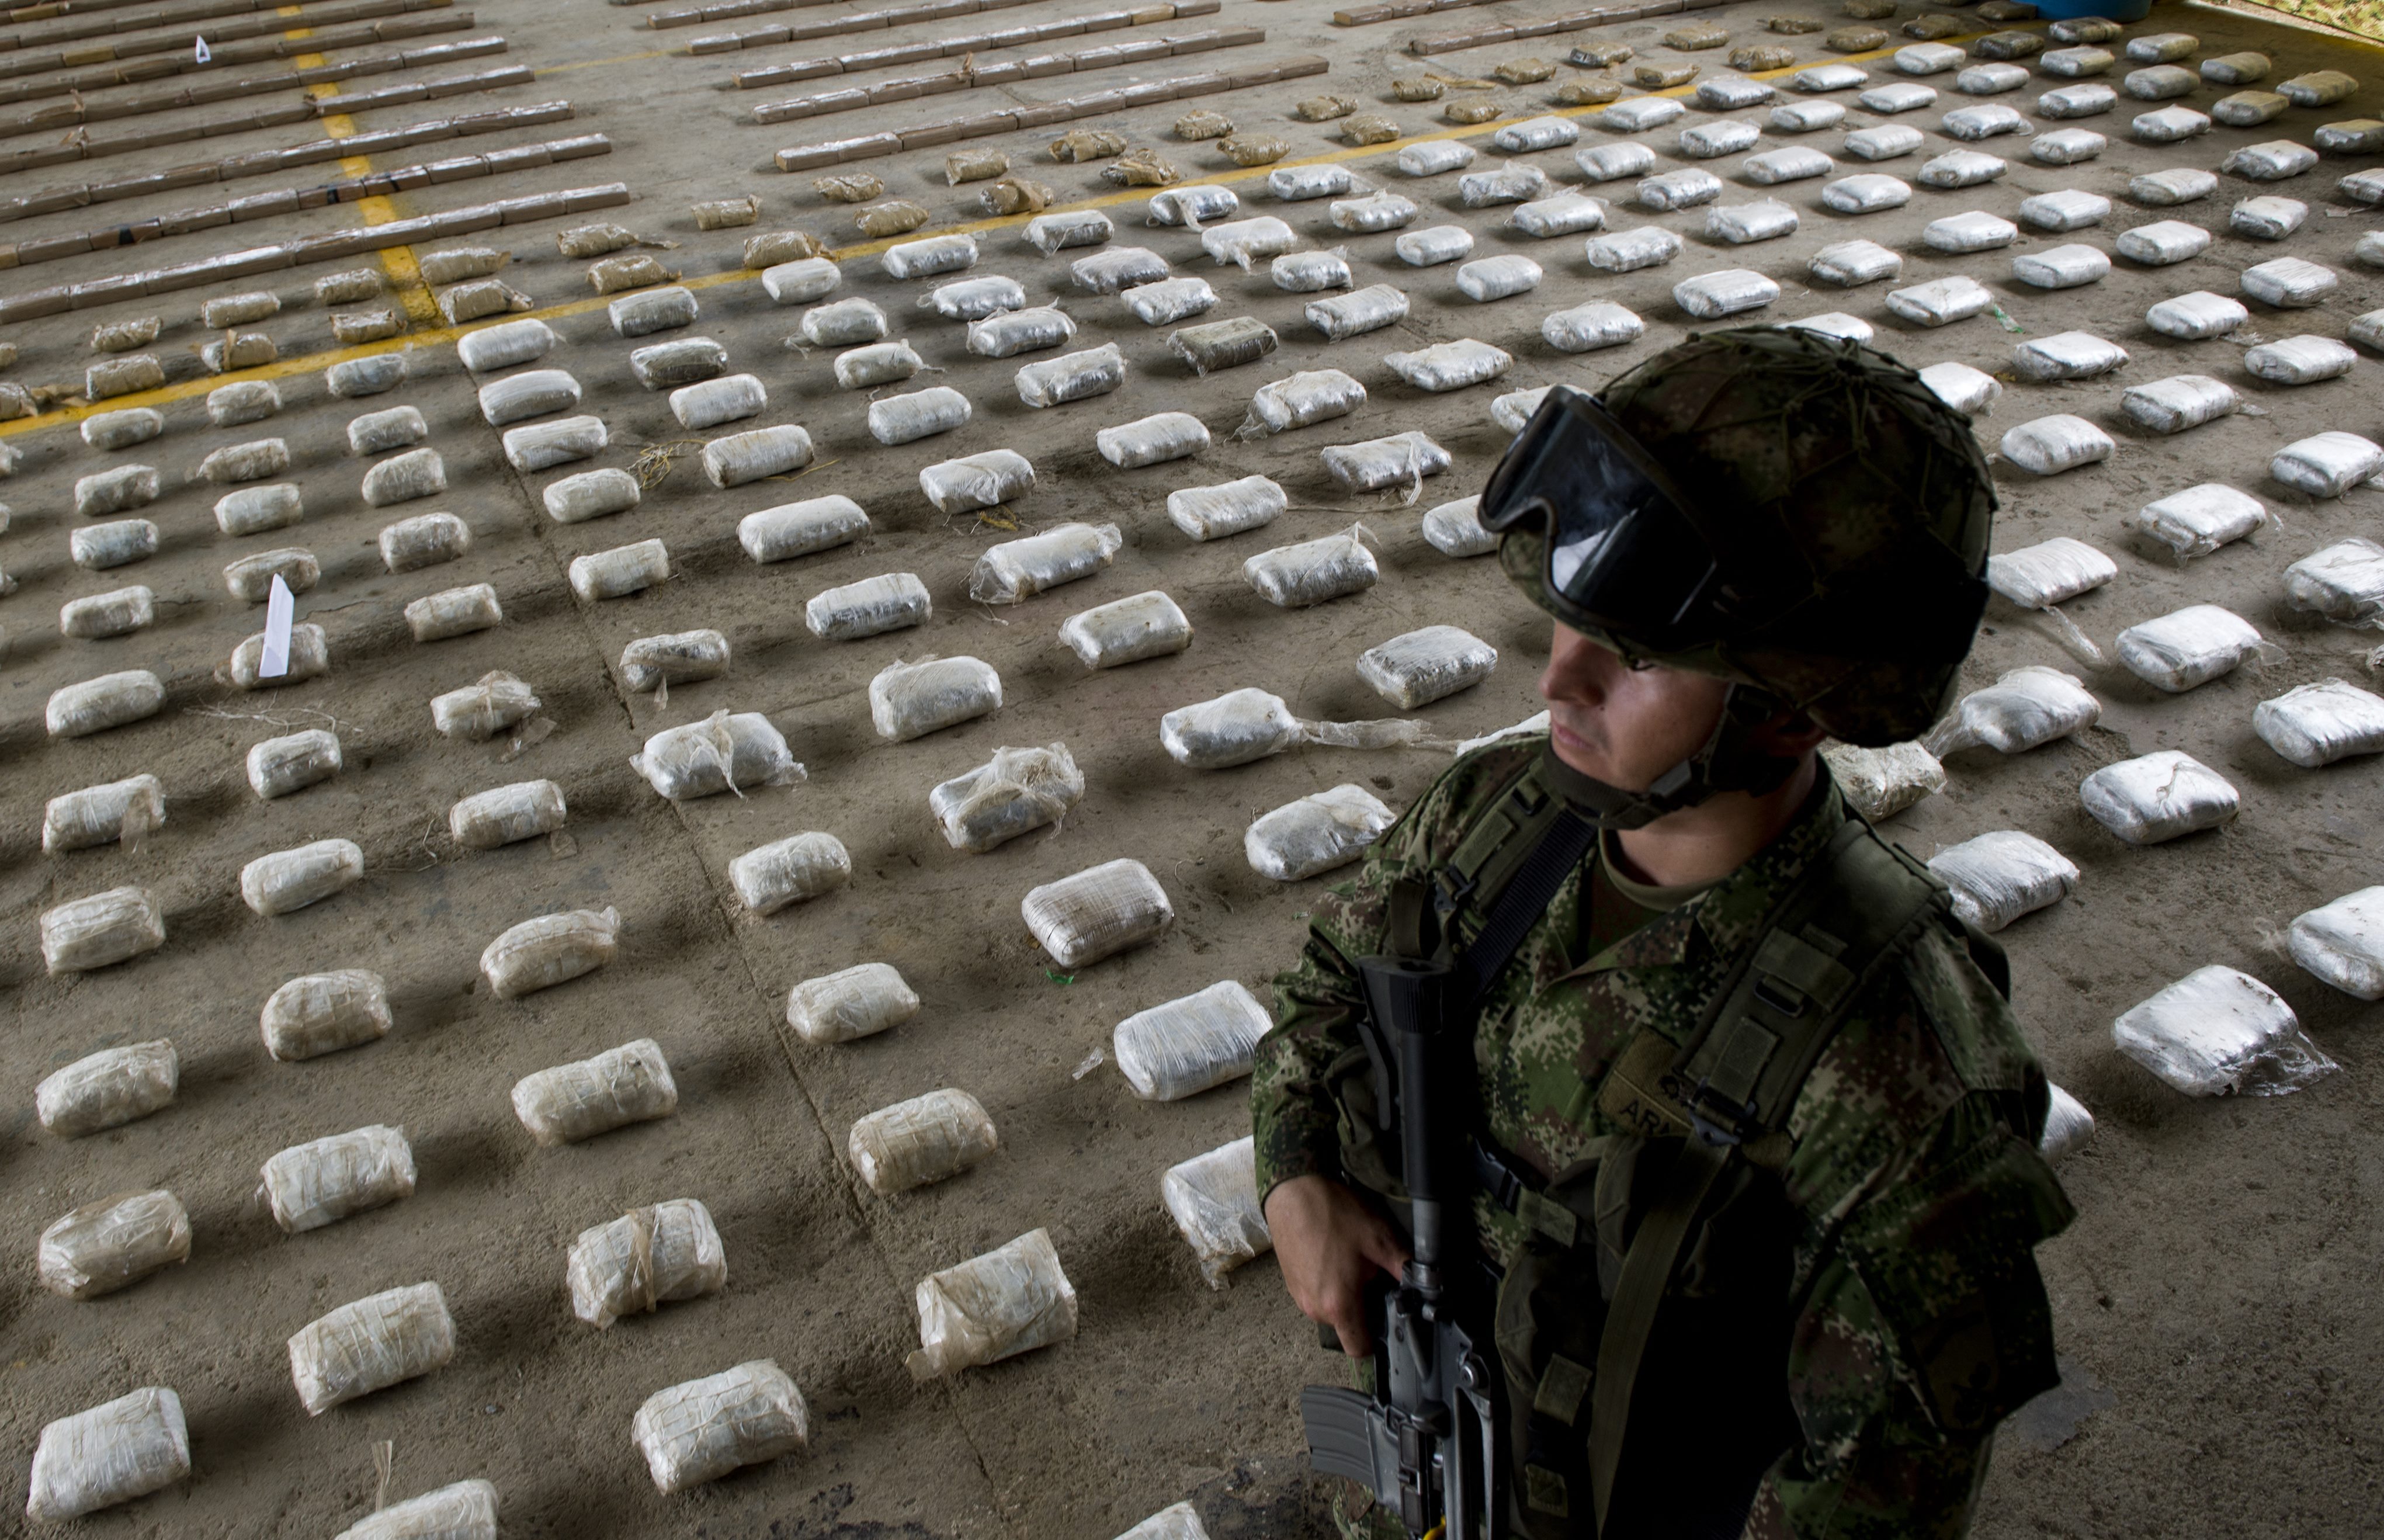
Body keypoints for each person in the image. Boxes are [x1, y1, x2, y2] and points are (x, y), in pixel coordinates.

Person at [1249, 329, 2075, 1540]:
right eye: (1572, 623)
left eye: (1636, 656)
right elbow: (1329, 987)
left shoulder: (1897, 1084)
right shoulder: (1497, 818)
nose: (1557, 684)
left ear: (1789, 715)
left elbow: (1868, 1503)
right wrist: (1295, 1175)